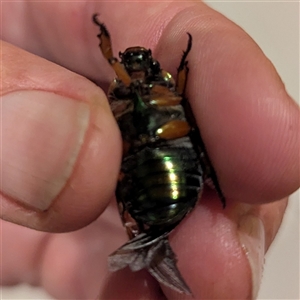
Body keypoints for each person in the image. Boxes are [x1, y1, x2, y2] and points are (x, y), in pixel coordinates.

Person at [1, 2, 299, 299]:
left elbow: (184, 106)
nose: (136, 68)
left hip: (158, 174)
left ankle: (148, 241)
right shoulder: (142, 90)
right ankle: (147, 241)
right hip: (162, 173)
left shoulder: (142, 91)